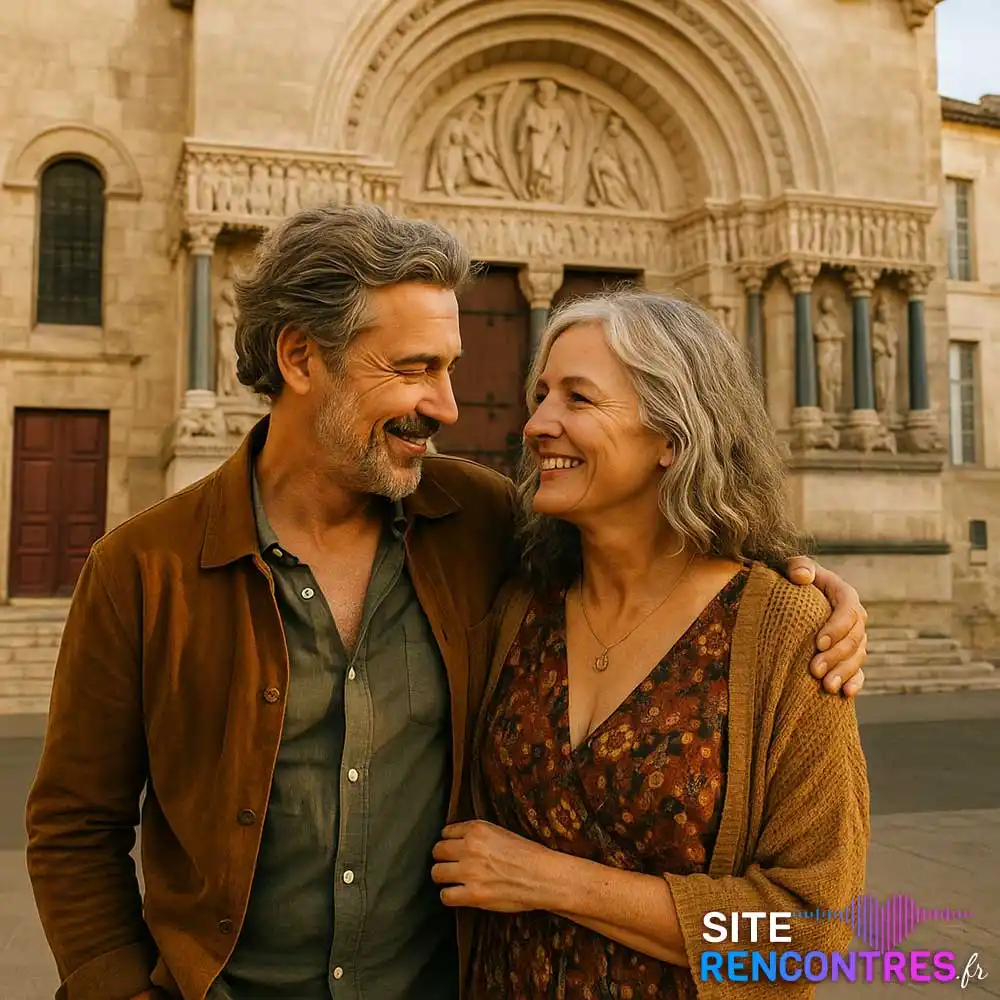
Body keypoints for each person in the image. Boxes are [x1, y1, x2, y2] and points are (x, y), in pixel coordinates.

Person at [25, 205, 867, 1000]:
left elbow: (817, 928)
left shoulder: (480, 525)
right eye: (414, 368)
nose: (454, 408)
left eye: (454, 368)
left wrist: (799, 585)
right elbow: (73, 825)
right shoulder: (143, 568)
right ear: (300, 358)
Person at [430, 292, 871, 999]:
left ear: (671, 435)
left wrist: (552, 880)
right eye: (541, 394)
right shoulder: (516, 601)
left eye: (579, 398)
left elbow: (809, 934)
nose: (538, 424)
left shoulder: (788, 633)